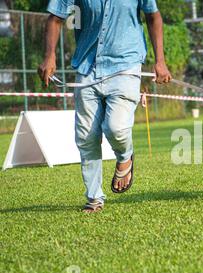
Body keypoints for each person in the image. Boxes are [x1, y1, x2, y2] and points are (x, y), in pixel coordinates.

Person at [38, 0, 172, 213]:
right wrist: (49, 55)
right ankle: (94, 198)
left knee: (115, 127)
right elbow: (55, 18)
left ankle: (125, 156)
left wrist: (160, 61)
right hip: (86, 66)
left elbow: (153, 16)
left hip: (126, 64)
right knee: (86, 136)